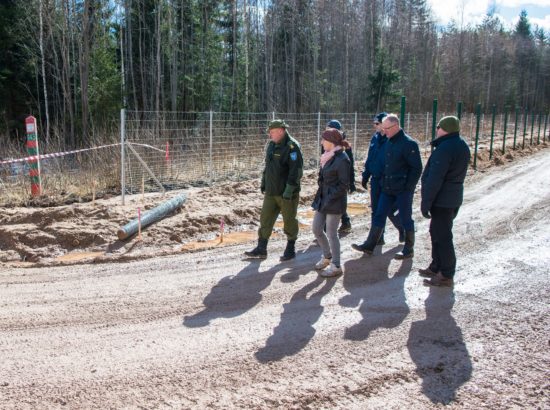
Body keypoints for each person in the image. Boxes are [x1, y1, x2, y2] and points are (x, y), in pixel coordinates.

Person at [352, 113, 422, 259]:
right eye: (382, 128)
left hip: (402, 189)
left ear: (396, 126)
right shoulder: (388, 141)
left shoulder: (409, 144)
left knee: (405, 217)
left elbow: (416, 169)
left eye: (386, 128)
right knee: (379, 214)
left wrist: (408, 187)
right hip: (387, 188)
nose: (384, 131)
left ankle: (409, 249)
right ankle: (370, 245)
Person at [419, 116, 470, 287]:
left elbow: (435, 178)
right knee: (437, 232)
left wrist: (426, 202)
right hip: (452, 198)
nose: (436, 130)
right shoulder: (461, 145)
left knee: (443, 236)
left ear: (445, 129)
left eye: (439, 127)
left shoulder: (445, 148)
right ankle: (436, 266)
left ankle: (446, 274)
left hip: (443, 200)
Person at [245, 119, 304, 261]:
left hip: (286, 193)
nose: (270, 135)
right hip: (271, 191)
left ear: (281, 131)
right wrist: (264, 182)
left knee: (289, 220)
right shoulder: (271, 145)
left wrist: (289, 190)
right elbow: (268, 166)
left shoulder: (292, 147)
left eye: (272, 132)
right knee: (265, 219)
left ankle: (290, 248)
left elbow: (296, 171)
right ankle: (261, 248)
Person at [356, 112, 404, 247]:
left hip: (388, 180)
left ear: (385, 124)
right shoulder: (375, 138)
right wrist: (366, 175)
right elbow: (370, 157)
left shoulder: (392, 140)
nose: (375, 126)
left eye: (377, 123)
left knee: (390, 209)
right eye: (375, 123)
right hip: (376, 179)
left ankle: (403, 229)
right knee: (376, 210)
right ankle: (378, 238)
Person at [311, 128, 350, 277]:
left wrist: (329, 197)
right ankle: (327, 256)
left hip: (335, 202)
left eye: (323, 140)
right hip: (323, 200)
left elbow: (344, 185)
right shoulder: (327, 156)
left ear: (332, 142)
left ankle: (336, 265)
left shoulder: (342, 159)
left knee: (332, 233)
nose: (321, 142)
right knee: (316, 229)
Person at [326, 119, 356, 233]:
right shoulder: (326, 141)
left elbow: (350, 164)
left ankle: (327, 229)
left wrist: (351, 182)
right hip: (329, 176)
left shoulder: (345, 146)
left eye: (330, 128)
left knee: (335, 200)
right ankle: (345, 222)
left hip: (340, 178)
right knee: (332, 200)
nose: (327, 130)